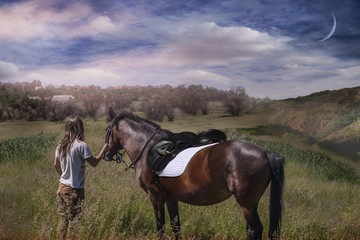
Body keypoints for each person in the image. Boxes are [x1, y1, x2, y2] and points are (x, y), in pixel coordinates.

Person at [54, 116, 109, 240]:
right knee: (74, 223)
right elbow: (94, 163)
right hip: (74, 190)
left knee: (63, 221)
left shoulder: (61, 145)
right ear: (80, 128)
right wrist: (103, 150)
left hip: (61, 188)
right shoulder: (81, 146)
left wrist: (63, 176)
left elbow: (55, 164)